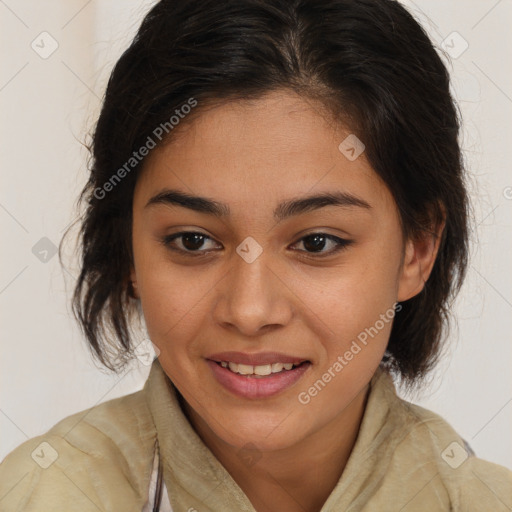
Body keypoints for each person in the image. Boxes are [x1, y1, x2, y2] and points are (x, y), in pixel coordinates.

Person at [1, 0, 511, 510]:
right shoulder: (36, 495)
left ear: (417, 250)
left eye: (317, 242)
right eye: (193, 240)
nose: (248, 312)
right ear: (128, 251)